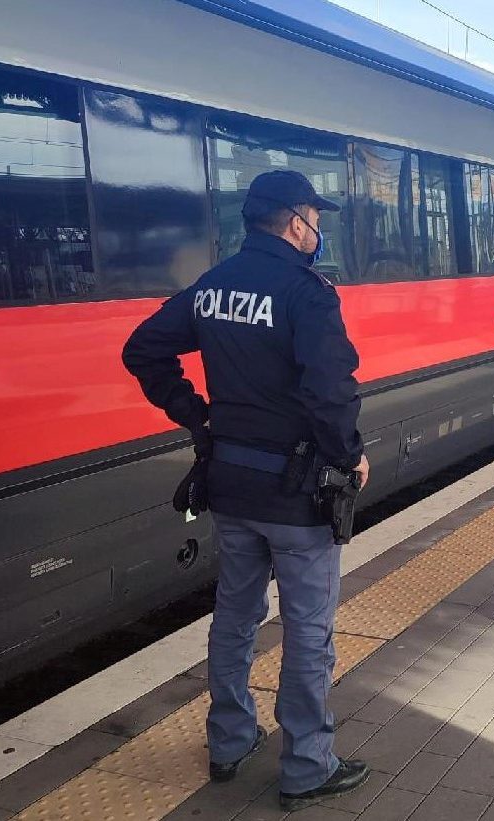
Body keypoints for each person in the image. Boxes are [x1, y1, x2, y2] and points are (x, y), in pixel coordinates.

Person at [122, 170, 370, 810]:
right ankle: (307, 765)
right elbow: (331, 391)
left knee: (235, 615)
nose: (319, 228)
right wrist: (350, 456)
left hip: (230, 485)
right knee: (308, 629)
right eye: (315, 217)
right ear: (295, 222)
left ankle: (229, 741)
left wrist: (196, 416)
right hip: (298, 493)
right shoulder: (307, 294)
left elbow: (142, 350)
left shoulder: (213, 287)